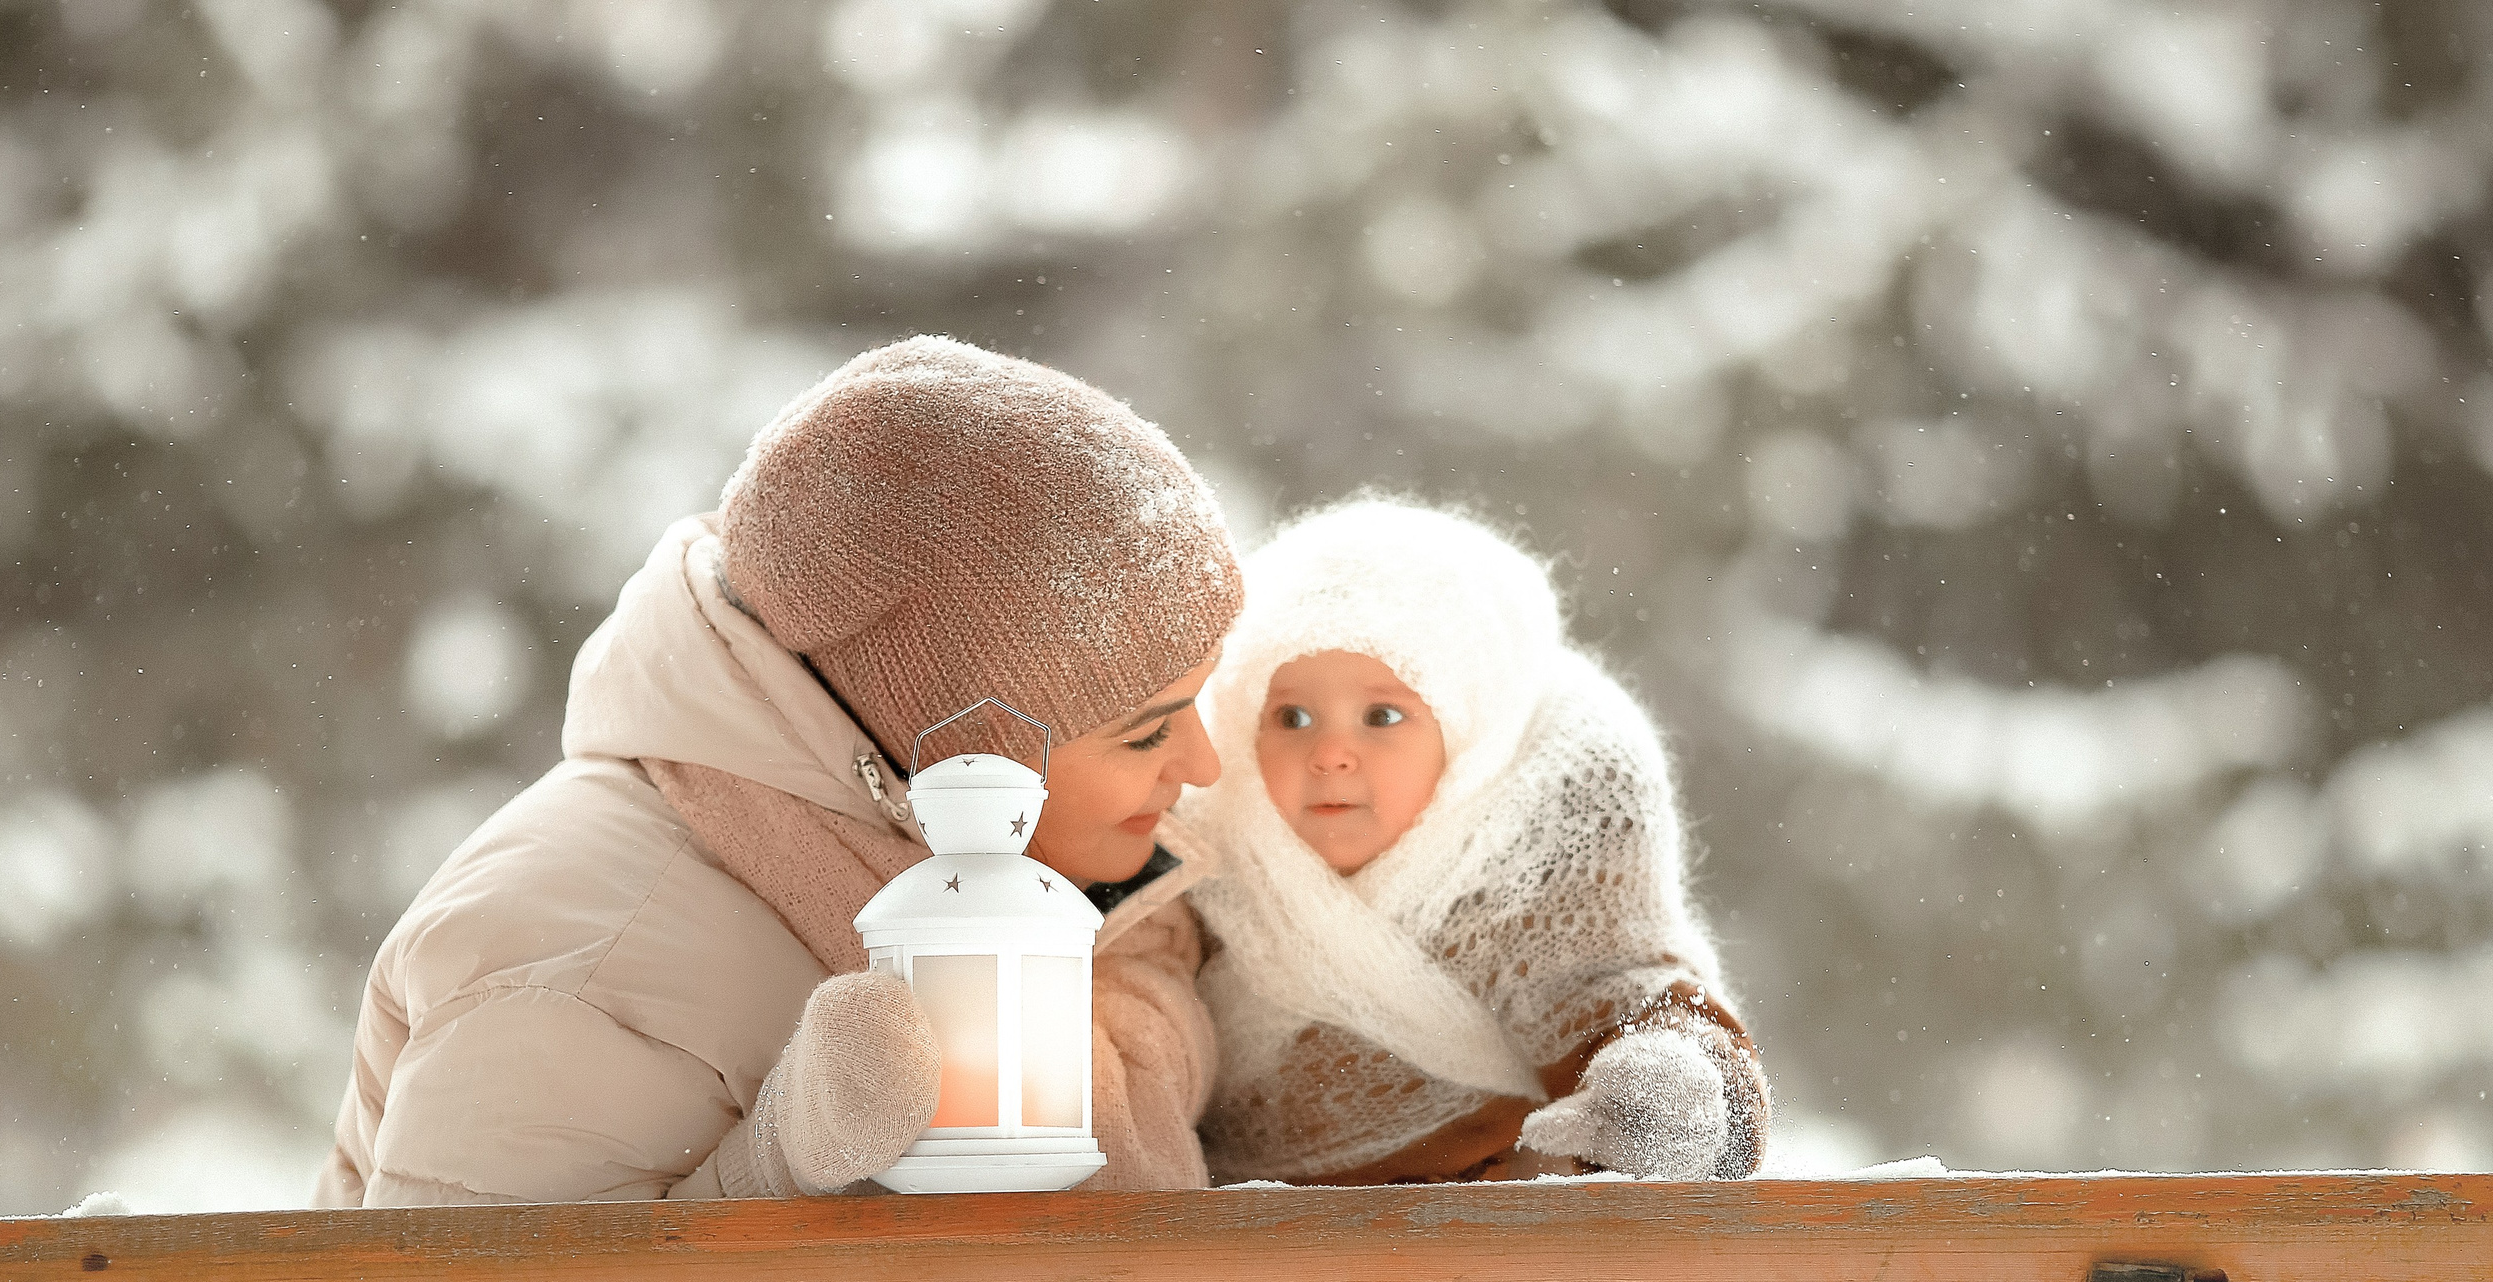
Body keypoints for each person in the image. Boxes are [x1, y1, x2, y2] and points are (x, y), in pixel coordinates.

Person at [314, 337, 1241, 1206]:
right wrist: (776, 1169)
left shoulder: (1063, 863)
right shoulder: (578, 971)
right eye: (1149, 732)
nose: (1203, 764)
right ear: (952, 745)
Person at [1180, 498, 1770, 1186]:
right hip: (1237, 1268)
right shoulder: (1198, 868)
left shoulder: (1537, 873)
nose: (1330, 752)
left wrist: (1669, 1102)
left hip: (1500, 1260)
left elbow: (1633, 998)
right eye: (1293, 716)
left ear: (1465, 740)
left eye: (1383, 715)